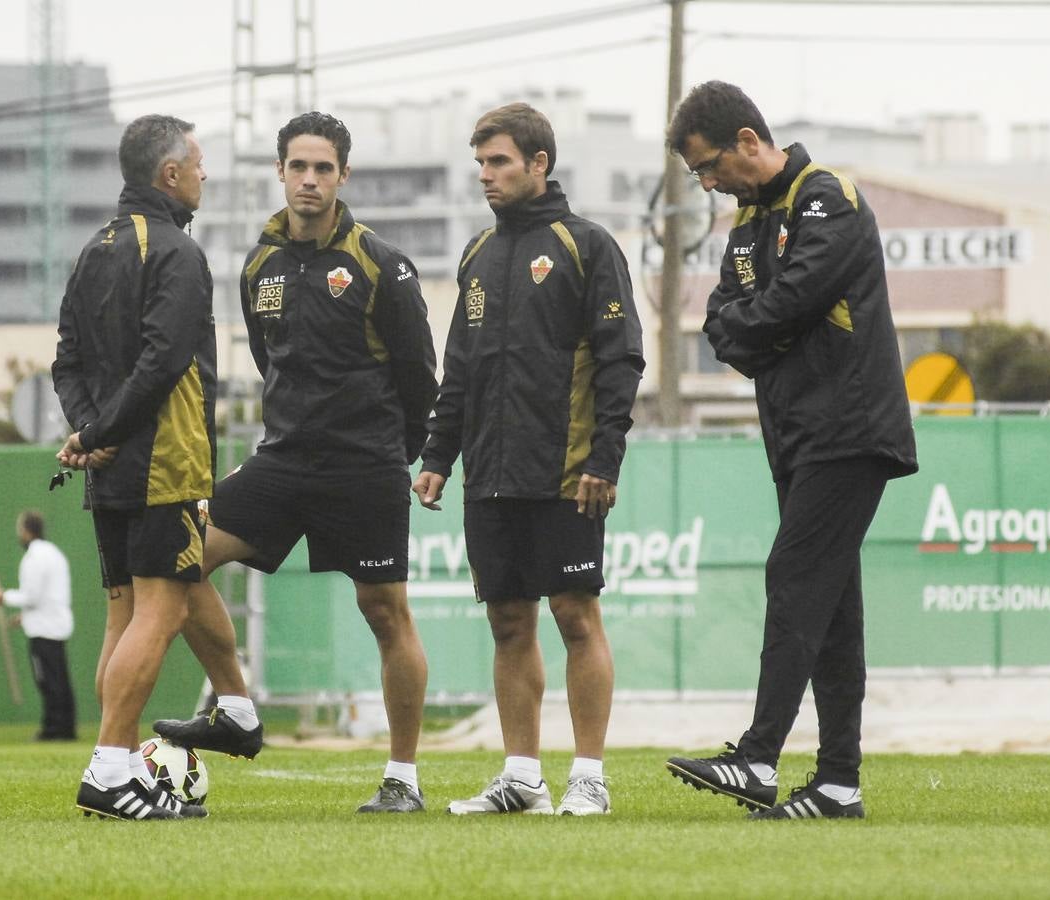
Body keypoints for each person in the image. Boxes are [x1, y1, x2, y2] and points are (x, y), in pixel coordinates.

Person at [153, 111, 439, 814]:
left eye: (323, 168)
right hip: (281, 462)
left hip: (365, 467)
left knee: (384, 613)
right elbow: (267, 358)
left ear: (342, 176)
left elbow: (419, 378)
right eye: (298, 167)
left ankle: (402, 779)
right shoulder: (259, 265)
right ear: (279, 172)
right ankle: (237, 711)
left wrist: (394, 457)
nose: (309, 180)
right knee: (175, 556)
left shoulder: (380, 261)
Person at [661, 81, 917, 821]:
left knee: (794, 574)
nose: (707, 184)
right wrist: (760, 329)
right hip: (795, 434)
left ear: (747, 140)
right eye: (695, 176)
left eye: (709, 166)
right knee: (832, 609)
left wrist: (759, 328)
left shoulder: (824, 195)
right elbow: (718, 325)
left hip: (850, 428)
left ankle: (758, 756)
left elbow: (794, 299)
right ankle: (838, 784)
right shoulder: (746, 224)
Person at [412, 102, 645, 817]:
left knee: (575, 616)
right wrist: (437, 456)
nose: (486, 176)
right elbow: (460, 367)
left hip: (567, 471)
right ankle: (520, 778)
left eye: (499, 162)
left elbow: (621, 359)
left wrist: (603, 459)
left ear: (538, 163)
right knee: (508, 622)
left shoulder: (586, 245)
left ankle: (589, 778)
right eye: (480, 163)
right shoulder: (478, 255)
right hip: (490, 474)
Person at [53, 113, 249, 821]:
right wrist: (101, 430)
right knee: (161, 610)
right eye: (198, 163)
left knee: (123, 614)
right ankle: (109, 770)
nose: (205, 174)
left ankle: (128, 764)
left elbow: (65, 359)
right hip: (163, 460)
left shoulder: (93, 249)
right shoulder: (175, 252)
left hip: (109, 460)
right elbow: (166, 361)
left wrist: (86, 433)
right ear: (170, 175)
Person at [0, 510, 76, 741]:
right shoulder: (53, 553)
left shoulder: (34, 557)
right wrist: (23, 617)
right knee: (59, 679)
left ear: (27, 531)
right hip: (53, 624)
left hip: (44, 629)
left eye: (20, 529)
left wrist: (3, 597)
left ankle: (54, 729)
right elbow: (45, 595)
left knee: (48, 681)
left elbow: (32, 595)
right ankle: (65, 727)